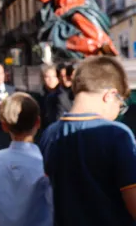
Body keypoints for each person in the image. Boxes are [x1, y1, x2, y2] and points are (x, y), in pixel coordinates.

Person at [40, 56, 136, 226]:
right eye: (120, 104)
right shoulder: (116, 134)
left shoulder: (50, 134)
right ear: (110, 95)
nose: (118, 112)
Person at [0, 92, 53, 226]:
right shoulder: (44, 162)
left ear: (4, 126)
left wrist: (2, 214)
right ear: (38, 122)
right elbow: (55, 206)